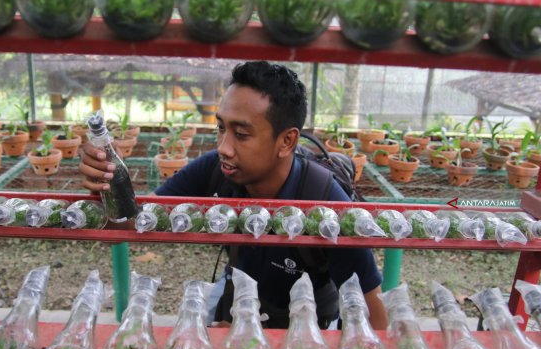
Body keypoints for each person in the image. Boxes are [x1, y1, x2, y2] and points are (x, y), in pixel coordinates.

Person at [79, 61, 387, 329]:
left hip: (302, 330)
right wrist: (109, 188)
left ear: (286, 141)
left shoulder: (326, 203)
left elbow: (376, 317)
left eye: (241, 134)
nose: (224, 147)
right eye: (221, 128)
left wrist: (258, 342)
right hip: (235, 304)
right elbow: (130, 226)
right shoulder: (215, 170)